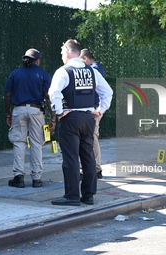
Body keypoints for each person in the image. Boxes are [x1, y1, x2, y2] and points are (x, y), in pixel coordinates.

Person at [49, 39, 113, 206]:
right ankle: (88, 195)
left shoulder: (64, 71)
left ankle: (71, 196)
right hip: (89, 118)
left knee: (70, 158)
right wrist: (100, 110)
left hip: (71, 118)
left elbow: (53, 92)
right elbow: (108, 92)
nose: (62, 55)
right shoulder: (92, 72)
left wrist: (59, 112)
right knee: (88, 156)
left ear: (69, 52)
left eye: (63, 52)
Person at [4, 48, 55, 188]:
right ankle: (36, 178)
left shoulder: (15, 73)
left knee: (19, 142)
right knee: (36, 143)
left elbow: (8, 95)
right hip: (36, 110)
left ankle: (18, 176)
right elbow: (48, 96)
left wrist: (8, 113)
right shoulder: (43, 74)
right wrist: (53, 117)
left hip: (18, 109)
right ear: (37, 60)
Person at [80, 48, 106, 179]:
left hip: (93, 109)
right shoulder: (98, 68)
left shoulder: (93, 70)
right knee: (92, 137)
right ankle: (94, 168)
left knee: (92, 138)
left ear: (85, 58)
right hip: (95, 108)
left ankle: (95, 169)